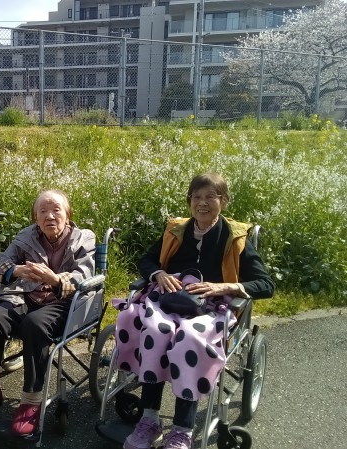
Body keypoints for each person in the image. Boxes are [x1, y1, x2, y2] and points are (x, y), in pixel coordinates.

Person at [117, 173, 274, 449]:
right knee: (155, 331)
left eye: (210, 197)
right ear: (189, 201)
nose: (202, 203)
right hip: (170, 300)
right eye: (196, 197)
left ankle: (182, 430)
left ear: (224, 201)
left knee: (189, 338)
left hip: (212, 307)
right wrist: (158, 274)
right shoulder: (176, 231)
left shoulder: (235, 238)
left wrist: (225, 286)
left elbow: (266, 284)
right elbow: (147, 260)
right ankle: (150, 419)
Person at [0, 190, 96, 437]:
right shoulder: (26, 236)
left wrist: (55, 280)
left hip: (64, 302)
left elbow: (85, 276)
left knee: (34, 324)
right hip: (23, 296)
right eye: (43, 211)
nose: (50, 216)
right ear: (35, 217)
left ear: (68, 214)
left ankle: (31, 402)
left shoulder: (84, 238)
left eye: (56, 210)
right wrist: (16, 271)